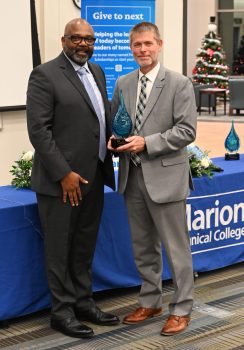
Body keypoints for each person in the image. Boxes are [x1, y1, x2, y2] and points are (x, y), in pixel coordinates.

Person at [26, 18, 119, 339]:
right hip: (62, 182)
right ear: (64, 40)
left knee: (83, 245)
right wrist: (63, 173)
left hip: (93, 176)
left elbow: (97, 118)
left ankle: (83, 302)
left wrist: (113, 140)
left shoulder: (97, 72)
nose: (84, 45)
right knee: (60, 247)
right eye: (77, 39)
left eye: (89, 40)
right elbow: (39, 130)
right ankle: (61, 311)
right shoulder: (45, 75)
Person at [108, 22, 197, 336]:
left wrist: (148, 142)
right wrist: (113, 141)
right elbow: (117, 124)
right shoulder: (123, 83)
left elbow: (186, 131)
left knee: (176, 248)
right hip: (132, 176)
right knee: (142, 246)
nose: (142, 50)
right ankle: (151, 300)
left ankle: (182, 307)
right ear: (131, 48)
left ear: (159, 44)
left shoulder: (179, 83)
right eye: (136, 45)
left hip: (166, 178)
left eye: (147, 44)